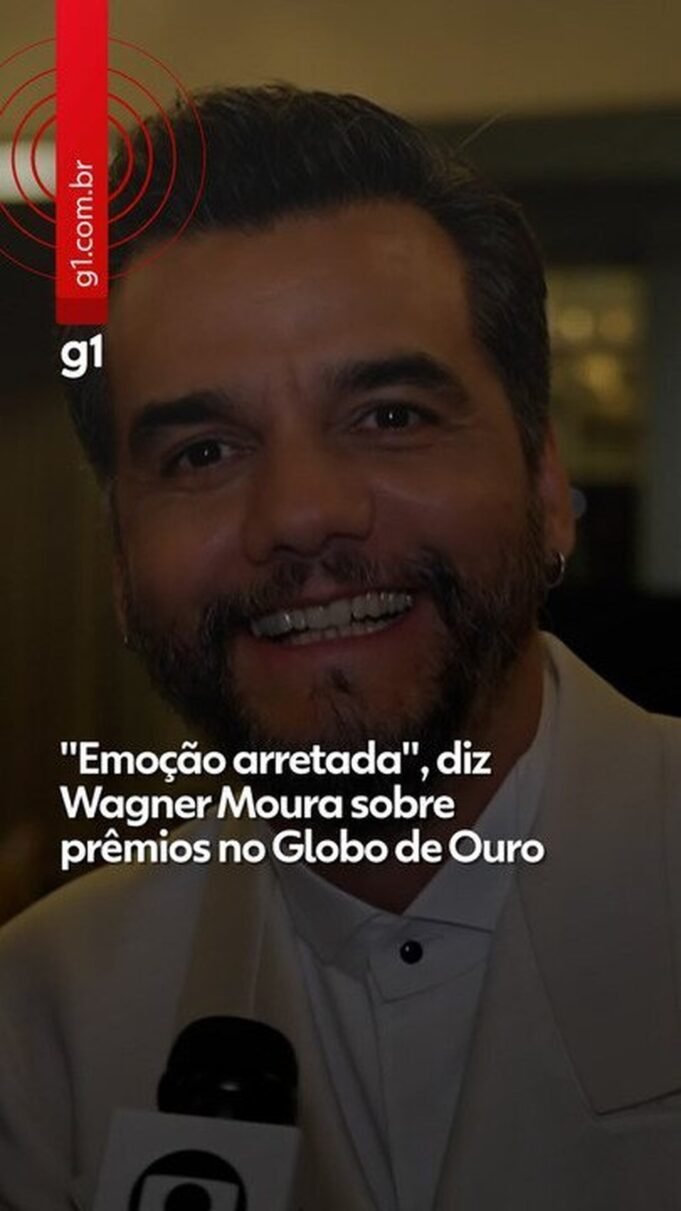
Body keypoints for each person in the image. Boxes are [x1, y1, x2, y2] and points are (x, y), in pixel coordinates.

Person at [1, 85, 680, 1211]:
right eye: (203, 450)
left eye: (391, 415)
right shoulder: (40, 1033)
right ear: (120, 565)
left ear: (545, 483)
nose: (302, 513)